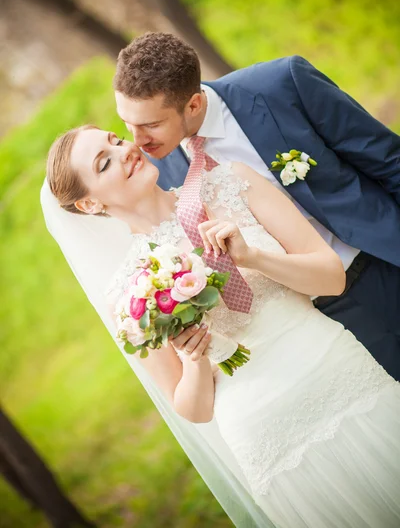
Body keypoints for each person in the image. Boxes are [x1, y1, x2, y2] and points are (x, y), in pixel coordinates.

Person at [45, 124, 400, 528]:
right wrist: (194, 359)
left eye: (115, 139)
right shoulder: (130, 293)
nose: (125, 149)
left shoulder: (232, 184)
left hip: (340, 374)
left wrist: (254, 258)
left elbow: (331, 278)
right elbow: (193, 410)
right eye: (104, 162)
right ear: (90, 204)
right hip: (266, 434)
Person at [113, 32, 400, 381]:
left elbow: (388, 161)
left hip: (381, 261)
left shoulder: (282, 85)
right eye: (128, 124)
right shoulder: (161, 170)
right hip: (317, 324)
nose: (138, 142)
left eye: (151, 125)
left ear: (193, 105)